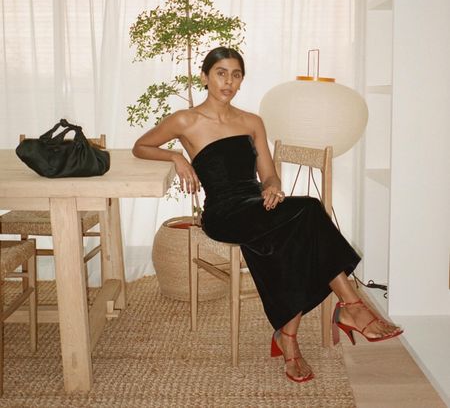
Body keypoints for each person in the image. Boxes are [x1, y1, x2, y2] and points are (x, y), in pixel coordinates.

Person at [132, 46, 403, 383]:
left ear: (242, 80)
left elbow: (269, 175)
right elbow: (141, 146)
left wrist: (271, 187)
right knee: (308, 211)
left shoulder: (251, 122)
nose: (228, 81)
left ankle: (289, 337)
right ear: (205, 77)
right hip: (222, 213)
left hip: (257, 206)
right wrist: (176, 157)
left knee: (289, 236)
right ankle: (350, 307)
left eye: (236, 74)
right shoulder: (186, 120)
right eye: (220, 73)